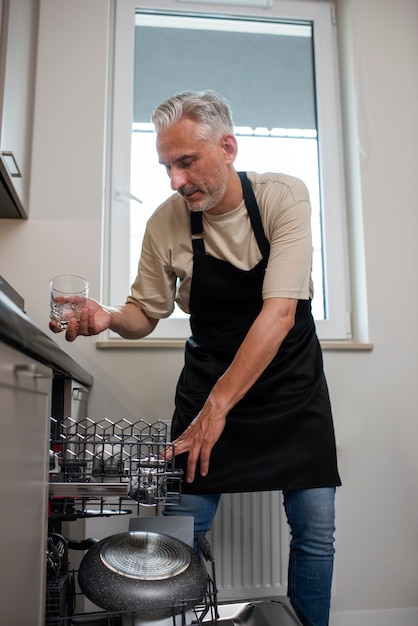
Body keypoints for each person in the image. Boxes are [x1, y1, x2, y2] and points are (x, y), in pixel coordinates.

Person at [50, 90, 341, 626]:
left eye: (187, 162)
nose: (175, 181)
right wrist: (110, 316)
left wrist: (218, 410)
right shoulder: (167, 221)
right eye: (167, 166)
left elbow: (278, 315)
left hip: (290, 385)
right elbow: (146, 312)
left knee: (316, 530)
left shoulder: (284, 198)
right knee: (183, 527)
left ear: (227, 147)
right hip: (209, 380)